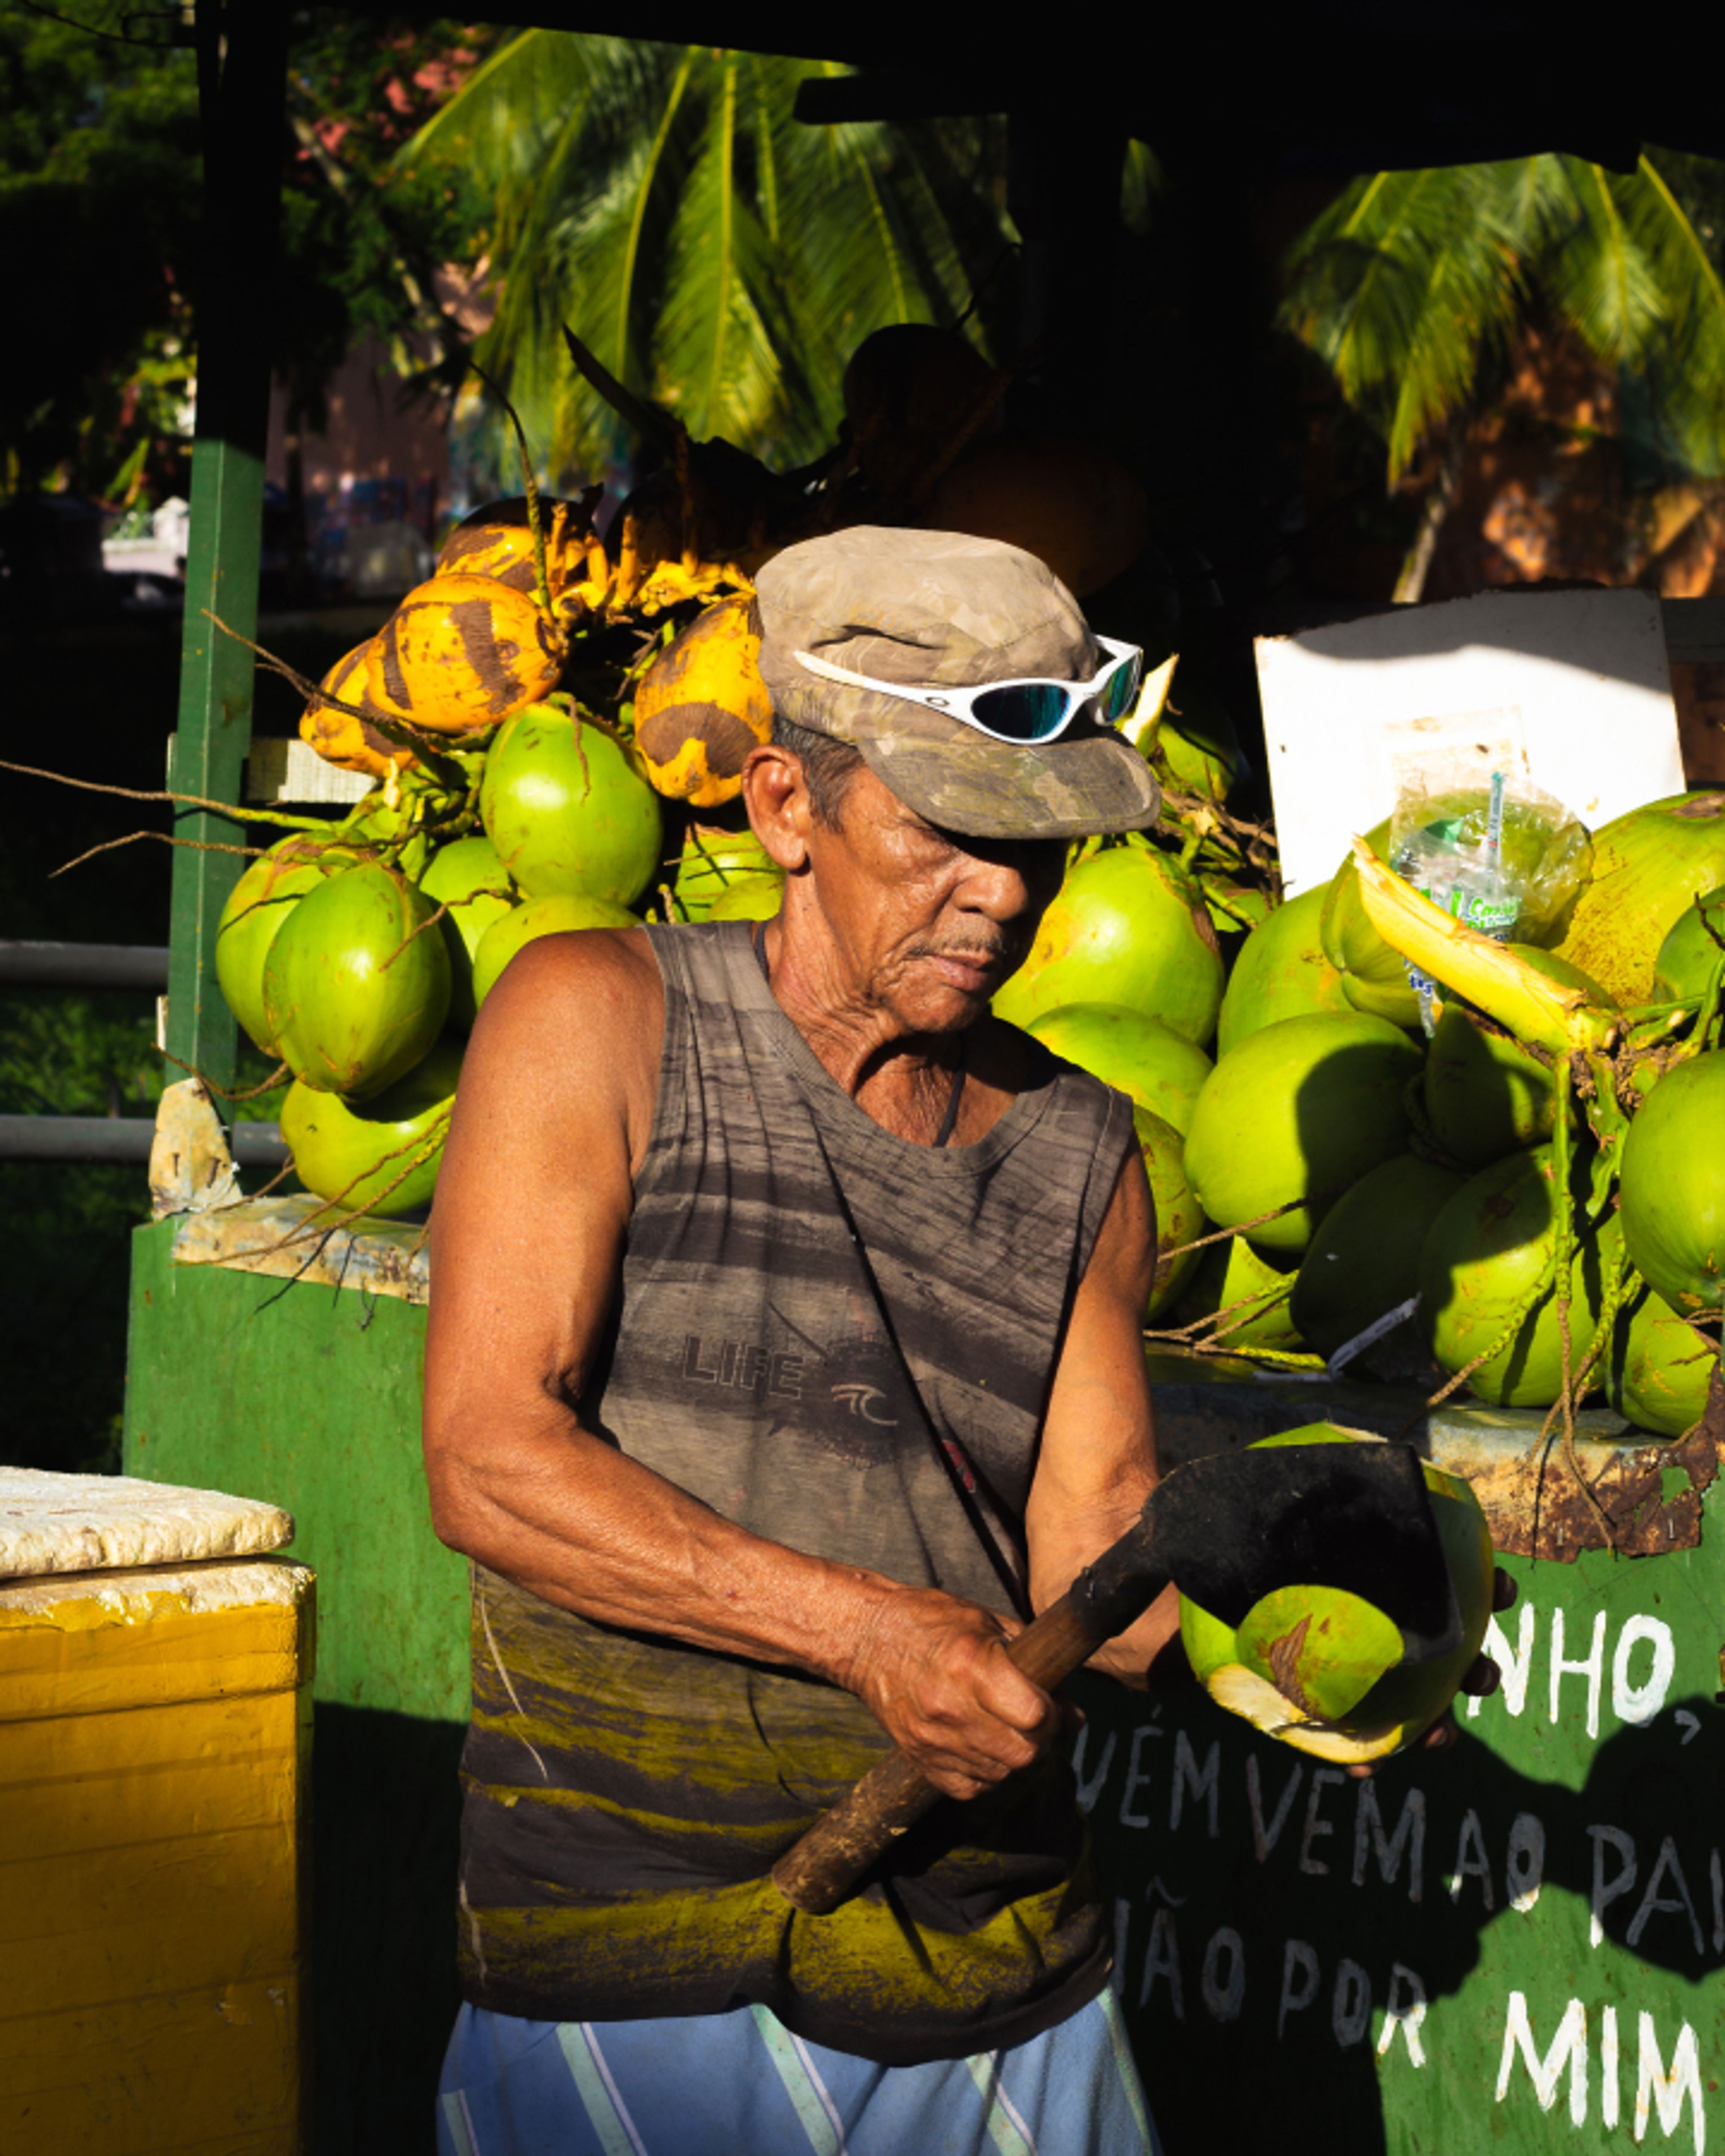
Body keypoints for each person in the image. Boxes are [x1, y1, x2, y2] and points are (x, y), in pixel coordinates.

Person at [420, 526, 1482, 2156]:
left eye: (1040, 848)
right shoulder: (597, 1021)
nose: (1003, 894)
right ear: (785, 805)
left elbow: (1094, 1568)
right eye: (948, 832)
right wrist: (872, 1637)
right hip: (636, 1967)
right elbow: (494, 1459)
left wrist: (1291, 1631)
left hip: (996, 1979)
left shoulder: (1087, 1156)